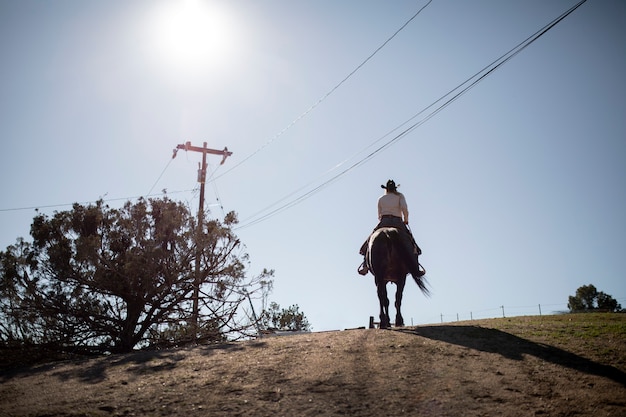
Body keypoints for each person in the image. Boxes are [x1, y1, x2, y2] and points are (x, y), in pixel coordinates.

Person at [358, 179, 424, 278]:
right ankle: (416, 266)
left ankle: (365, 265)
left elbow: (379, 215)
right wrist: (406, 219)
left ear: (386, 189)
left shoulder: (381, 198)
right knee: (412, 243)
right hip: (398, 222)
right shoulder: (399, 196)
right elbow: (404, 208)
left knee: (370, 240)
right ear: (395, 188)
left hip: (384, 221)